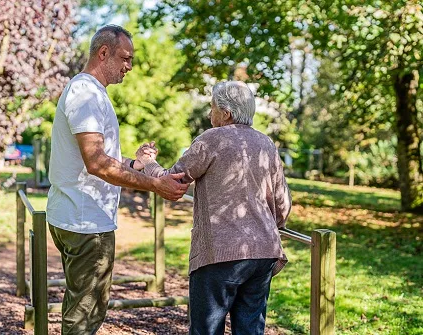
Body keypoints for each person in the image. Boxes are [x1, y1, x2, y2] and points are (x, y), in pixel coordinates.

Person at [46, 25, 189, 334]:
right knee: (84, 318)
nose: (130, 67)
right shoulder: (85, 93)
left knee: (84, 309)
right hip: (85, 223)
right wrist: (154, 184)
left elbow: (97, 157)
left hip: (77, 216)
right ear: (103, 53)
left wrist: (135, 163)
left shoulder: (91, 93)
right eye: (125, 58)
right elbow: (97, 163)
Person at [136, 81, 292, 335]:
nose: (210, 114)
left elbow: (173, 184)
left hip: (219, 254)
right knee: (250, 330)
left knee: (206, 330)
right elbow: (283, 205)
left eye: (212, 108)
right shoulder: (267, 144)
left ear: (226, 113)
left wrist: (148, 163)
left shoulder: (210, 140)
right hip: (263, 253)